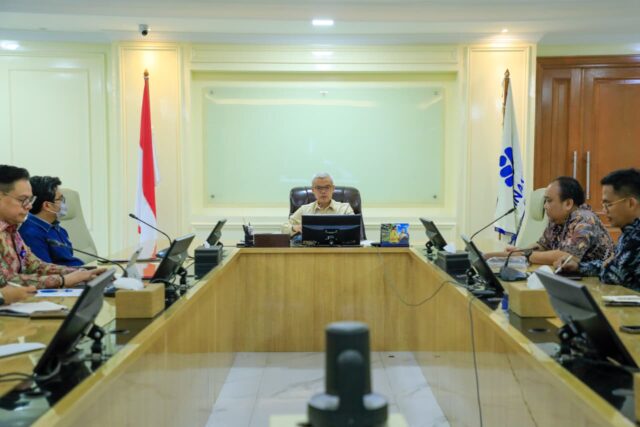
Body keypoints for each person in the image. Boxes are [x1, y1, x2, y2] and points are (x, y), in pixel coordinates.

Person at [0, 165, 104, 289]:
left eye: (30, 200)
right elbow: (5, 281)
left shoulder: (12, 230)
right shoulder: (22, 230)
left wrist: (82, 273)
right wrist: (62, 280)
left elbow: (35, 266)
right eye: (22, 199)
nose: (29, 206)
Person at [486, 176, 613, 265]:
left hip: (600, 285)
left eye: (549, 201)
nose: (545, 206)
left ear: (568, 203)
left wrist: (526, 254)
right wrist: (519, 251)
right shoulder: (557, 220)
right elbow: (542, 246)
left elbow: (566, 256)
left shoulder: (585, 219)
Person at [556, 168, 640, 290]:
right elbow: (610, 265)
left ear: (631, 203)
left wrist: (609, 264)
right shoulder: (628, 232)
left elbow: (614, 276)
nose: (604, 210)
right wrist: (578, 267)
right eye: (603, 205)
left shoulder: (636, 236)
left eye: (608, 204)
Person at [19, 176, 84, 266]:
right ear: (47, 205)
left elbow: (69, 260)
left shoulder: (58, 228)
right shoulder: (30, 234)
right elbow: (45, 270)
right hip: (67, 274)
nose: (64, 203)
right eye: (60, 199)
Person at [282, 173, 354, 235]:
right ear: (313, 190)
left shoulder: (345, 209)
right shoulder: (304, 210)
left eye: (327, 187)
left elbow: (354, 230)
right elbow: (284, 229)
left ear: (333, 188)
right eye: (319, 188)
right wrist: (295, 228)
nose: (323, 191)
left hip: (339, 246)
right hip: (311, 246)